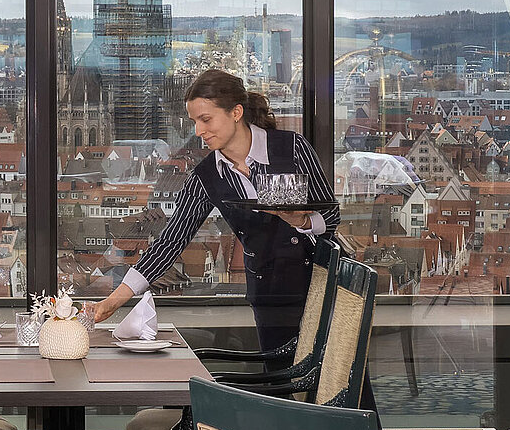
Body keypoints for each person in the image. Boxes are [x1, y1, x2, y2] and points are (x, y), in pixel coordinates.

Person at [88, 69, 335, 354]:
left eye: (206, 119)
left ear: (236, 112)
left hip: (325, 283)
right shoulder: (206, 176)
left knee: (340, 386)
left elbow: (332, 218)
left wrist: (302, 220)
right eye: (194, 121)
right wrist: (114, 301)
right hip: (272, 294)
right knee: (284, 387)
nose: (198, 131)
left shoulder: (292, 148)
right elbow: (170, 242)